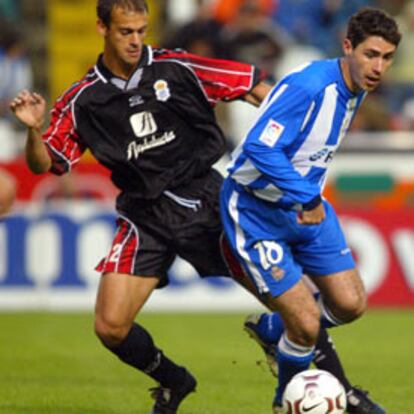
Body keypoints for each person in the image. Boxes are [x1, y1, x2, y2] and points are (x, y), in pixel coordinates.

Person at [9, 1, 390, 413]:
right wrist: (33, 130)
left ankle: (344, 391)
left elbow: (254, 84)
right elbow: (46, 162)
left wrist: (287, 129)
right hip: (145, 215)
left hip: (207, 201)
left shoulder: (177, 67)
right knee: (110, 327)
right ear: (102, 28)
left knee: (294, 307)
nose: (136, 40)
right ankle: (174, 381)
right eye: (125, 32)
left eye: (141, 29)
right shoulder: (83, 99)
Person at [219, 7, 400, 414]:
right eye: (371, 54)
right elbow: (259, 146)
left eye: (387, 58)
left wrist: (307, 197)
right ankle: (287, 401)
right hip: (255, 208)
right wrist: (308, 196)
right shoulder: (310, 84)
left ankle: (272, 329)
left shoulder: (358, 87)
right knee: (305, 321)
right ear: (347, 46)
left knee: (351, 304)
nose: (379, 67)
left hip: (303, 206)